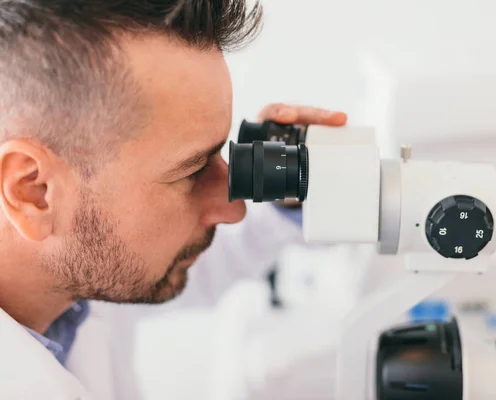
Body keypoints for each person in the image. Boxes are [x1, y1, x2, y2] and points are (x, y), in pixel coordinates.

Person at [0, 1, 348, 398]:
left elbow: (209, 259)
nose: (233, 211)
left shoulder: (75, 267)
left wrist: (285, 194)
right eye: (193, 170)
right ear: (34, 192)